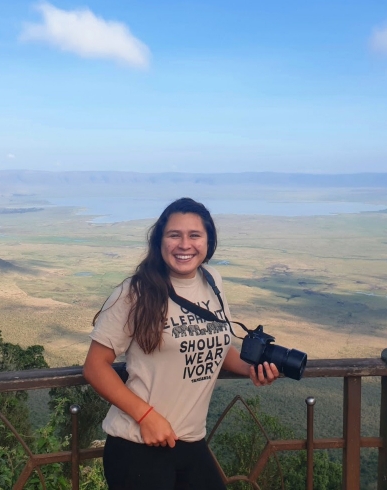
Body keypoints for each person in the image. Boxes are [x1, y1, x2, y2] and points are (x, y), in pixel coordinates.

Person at [83, 197, 279, 490]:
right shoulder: (134, 292)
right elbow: (95, 367)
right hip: (138, 443)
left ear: (208, 241)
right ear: (159, 240)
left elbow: (218, 346)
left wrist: (252, 368)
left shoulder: (212, 281)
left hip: (191, 440)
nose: (184, 244)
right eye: (174, 235)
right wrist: (146, 416)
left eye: (194, 235)